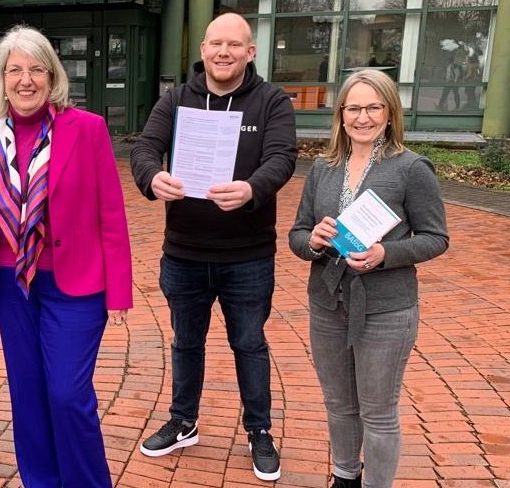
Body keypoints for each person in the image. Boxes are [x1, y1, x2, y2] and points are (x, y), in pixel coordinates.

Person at [130, 12, 296, 481]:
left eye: (234, 44)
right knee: (186, 342)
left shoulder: (271, 101)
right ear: (202, 50)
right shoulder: (176, 100)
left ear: (250, 51)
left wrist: (252, 189)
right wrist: (151, 176)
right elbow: (144, 148)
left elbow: (282, 157)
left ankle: (259, 430)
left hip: (248, 255)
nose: (224, 52)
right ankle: (183, 421)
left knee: (249, 344)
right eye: (215, 44)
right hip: (183, 252)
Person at [0, 25, 132, 487]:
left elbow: (111, 212)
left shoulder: (87, 129)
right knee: (28, 396)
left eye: (36, 69)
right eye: (15, 70)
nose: (26, 80)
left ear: (52, 76)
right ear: (2, 79)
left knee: (66, 395)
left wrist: (119, 290)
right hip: (11, 285)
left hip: (75, 284)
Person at [288, 70, 449, 488]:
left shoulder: (410, 168)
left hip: (386, 308)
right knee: (339, 403)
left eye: (374, 107)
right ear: (341, 114)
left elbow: (436, 237)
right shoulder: (323, 168)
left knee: (378, 411)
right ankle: (345, 477)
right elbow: (297, 234)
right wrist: (314, 241)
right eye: (354, 108)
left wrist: (385, 254)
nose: (363, 117)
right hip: (328, 303)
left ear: (390, 113)